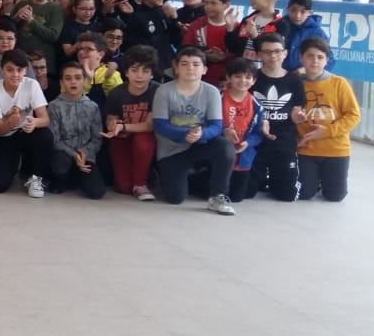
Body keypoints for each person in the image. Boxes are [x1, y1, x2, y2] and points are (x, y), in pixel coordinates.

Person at [152, 47, 236, 214]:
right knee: (176, 198)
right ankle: (166, 175)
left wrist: (201, 134)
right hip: (172, 150)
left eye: (196, 64)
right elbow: (160, 125)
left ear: (204, 69)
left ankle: (218, 196)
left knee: (225, 147)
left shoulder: (211, 91)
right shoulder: (164, 90)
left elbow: (216, 126)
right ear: (176, 68)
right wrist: (185, 134)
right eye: (185, 64)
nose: (190, 68)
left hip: (199, 144)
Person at [0, 50, 52, 197]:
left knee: (45, 135)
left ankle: (36, 178)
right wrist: (11, 122)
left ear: (25, 70)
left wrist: (34, 122)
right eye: (10, 70)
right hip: (3, 138)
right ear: (1, 70)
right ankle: (13, 166)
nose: (15, 74)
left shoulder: (32, 85)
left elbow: (45, 119)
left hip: (24, 133)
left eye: (19, 70)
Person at [296, 39, 358, 201]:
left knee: (335, 196)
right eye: (310, 56)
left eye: (320, 57)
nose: (315, 61)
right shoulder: (295, 83)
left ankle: (324, 179)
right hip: (306, 150)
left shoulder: (339, 83)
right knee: (304, 193)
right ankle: (314, 180)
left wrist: (328, 131)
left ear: (327, 60)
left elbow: (353, 115)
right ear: (301, 58)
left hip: (336, 149)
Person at [249, 33, 305, 202]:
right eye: (267, 52)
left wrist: (297, 117)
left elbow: (296, 108)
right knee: (246, 192)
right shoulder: (252, 78)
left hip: (283, 141)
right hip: (256, 140)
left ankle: (279, 178)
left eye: (277, 51)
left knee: (286, 195)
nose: (272, 56)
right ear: (259, 54)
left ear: (285, 53)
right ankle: (263, 178)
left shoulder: (294, 80)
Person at [103, 46, 159, 200]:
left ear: (152, 74)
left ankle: (141, 183)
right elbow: (110, 120)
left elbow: (149, 125)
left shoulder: (157, 91)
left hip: (144, 137)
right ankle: (146, 175)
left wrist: (123, 126)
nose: (139, 76)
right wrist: (113, 125)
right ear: (126, 72)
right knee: (124, 187)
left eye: (145, 71)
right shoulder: (117, 93)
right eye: (134, 70)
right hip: (121, 137)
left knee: (143, 141)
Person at [47, 64, 106, 199]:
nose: (73, 82)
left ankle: (77, 179)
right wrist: (74, 154)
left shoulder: (92, 107)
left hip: (86, 156)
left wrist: (84, 152)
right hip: (63, 155)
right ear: (62, 82)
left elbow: (97, 138)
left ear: (84, 81)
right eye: (68, 78)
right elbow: (55, 139)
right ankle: (60, 179)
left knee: (97, 192)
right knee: (60, 166)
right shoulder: (54, 106)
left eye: (78, 78)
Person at [221, 57, 266, 203]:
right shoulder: (218, 98)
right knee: (216, 193)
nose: (243, 80)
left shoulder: (257, 105)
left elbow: (258, 134)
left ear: (254, 80)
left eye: (248, 77)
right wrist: (224, 131)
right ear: (229, 78)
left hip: (244, 157)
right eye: (238, 76)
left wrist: (247, 143)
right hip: (221, 155)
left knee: (238, 197)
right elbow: (208, 124)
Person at [181, 0, 236, 85]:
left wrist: (225, 56)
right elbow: (185, 50)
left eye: (213, 3)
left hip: (228, 82)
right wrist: (204, 55)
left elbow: (241, 54)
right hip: (200, 80)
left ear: (226, 5)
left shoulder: (236, 26)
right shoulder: (196, 25)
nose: (208, 7)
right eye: (206, 3)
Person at [11, 0, 64, 70]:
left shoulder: (55, 9)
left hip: (45, 62)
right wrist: (17, 17)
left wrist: (31, 20)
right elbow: (9, 29)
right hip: (21, 59)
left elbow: (53, 36)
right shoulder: (21, 4)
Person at [282, 0, 332, 72]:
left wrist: (306, 69)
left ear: (310, 13)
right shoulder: (279, 27)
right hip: (280, 75)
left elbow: (330, 61)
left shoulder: (318, 33)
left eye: (303, 11)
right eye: (293, 10)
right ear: (287, 10)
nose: (297, 15)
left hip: (308, 76)